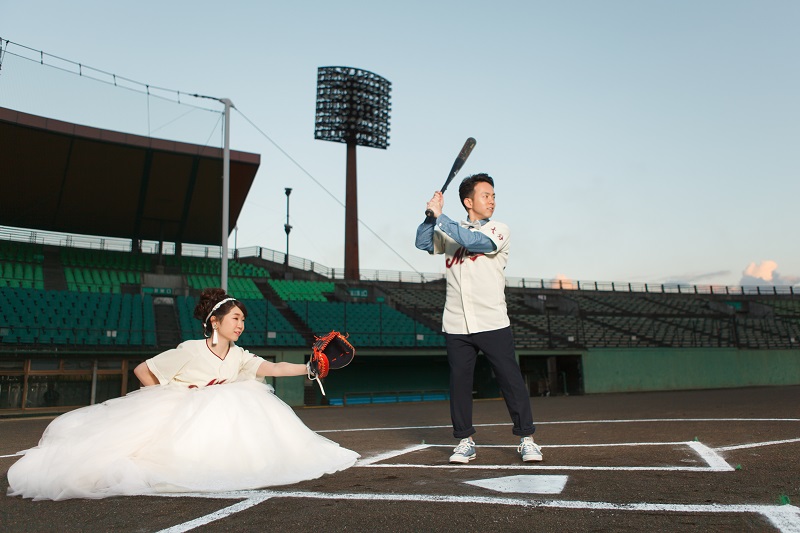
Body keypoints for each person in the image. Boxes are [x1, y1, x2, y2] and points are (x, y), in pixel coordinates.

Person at [7, 288, 359, 500]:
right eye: (235, 318)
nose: (241, 324)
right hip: (181, 415)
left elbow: (272, 367)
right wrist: (167, 398)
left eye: (243, 320)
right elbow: (142, 371)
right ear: (215, 322)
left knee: (244, 398)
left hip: (213, 422)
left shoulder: (238, 354)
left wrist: (309, 368)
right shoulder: (190, 349)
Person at [415, 173, 543, 464]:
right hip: (456, 322)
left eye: (493, 196)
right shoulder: (450, 229)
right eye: (486, 195)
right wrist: (429, 215)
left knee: (510, 380)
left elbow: (477, 242)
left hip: (492, 320)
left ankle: (527, 439)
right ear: (468, 201)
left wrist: (441, 217)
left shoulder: (499, 229)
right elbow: (422, 243)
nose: (492, 201)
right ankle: (465, 441)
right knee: (459, 383)